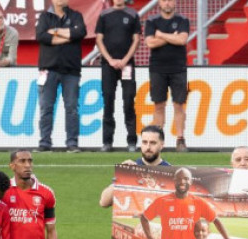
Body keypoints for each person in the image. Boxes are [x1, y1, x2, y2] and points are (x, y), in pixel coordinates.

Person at [139, 168, 237, 239]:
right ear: (174, 181)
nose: (182, 182)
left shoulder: (199, 202)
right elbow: (144, 218)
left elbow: (216, 220)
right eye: (179, 179)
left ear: (191, 181)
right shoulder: (162, 201)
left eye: (186, 179)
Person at [35, 0, 87, 153]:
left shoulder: (76, 16)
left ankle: (72, 143)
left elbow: (80, 32)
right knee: (46, 108)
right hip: (48, 69)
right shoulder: (45, 17)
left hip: (71, 70)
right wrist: (68, 35)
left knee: (71, 108)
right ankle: (45, 143)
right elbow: (41, 36)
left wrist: (56, 31)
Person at [145, 0, 191, 152]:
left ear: (175, 3)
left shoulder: (183, 20)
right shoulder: (152, 21)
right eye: (164, 0)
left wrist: (161, 35)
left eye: (170, 0)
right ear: (159, 3)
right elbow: (150, 44)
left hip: (178, 68)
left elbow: (182, 40)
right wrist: (172, 37)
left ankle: (180, 139)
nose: (167, 3)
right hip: (157, 68)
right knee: (159, 105)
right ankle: (158, 140)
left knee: (179, 105)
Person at [95, 0, 140, 152]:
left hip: (127, 65)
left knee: (128, 101)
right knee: (108, 101)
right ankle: (107, 142)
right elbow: (99, 40)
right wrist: (110, 60)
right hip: (108, 65)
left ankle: (132, 141)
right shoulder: (104, 14)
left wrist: (125, 60)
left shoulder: (133, 14)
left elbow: (136, 40)